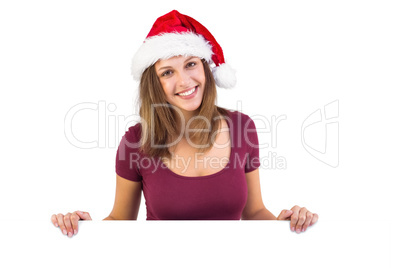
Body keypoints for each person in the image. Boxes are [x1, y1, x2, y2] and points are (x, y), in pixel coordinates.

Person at [51, 10, 318, 238]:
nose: (184, 81)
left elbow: (255, 211)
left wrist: (288, 225)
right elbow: (121, 222)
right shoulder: (136, 141)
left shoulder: (241, 128)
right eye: (168, 72)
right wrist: (84, 228)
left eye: (190, 64)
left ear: (205, 69)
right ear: (154, 83)